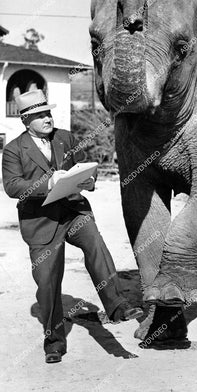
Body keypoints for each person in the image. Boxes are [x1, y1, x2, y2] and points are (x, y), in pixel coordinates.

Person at [2, 90, 143, 364]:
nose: (47, 118)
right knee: (47, 284)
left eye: (48, 112)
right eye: (40, 115)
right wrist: (49, 183)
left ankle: (117, 306)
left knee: (95, 243)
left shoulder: (65, 138)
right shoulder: (13, 150)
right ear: (25, 120)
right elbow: (12, 186)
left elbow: (86, 168)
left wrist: (88, 180)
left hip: (73, 211)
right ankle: (54, 342)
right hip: (41, 222)